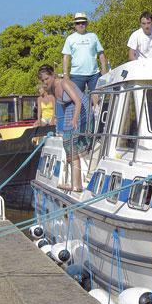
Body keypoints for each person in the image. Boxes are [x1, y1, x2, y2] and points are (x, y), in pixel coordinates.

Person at [37, 64, 86, 192]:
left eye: (47, 79)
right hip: (70, 110)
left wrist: (74, 119)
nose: (45, 82)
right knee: (66, 144)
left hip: (81, 109)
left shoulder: (63, 83)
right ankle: (75, 183)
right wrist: (61, 125)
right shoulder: (52, 89)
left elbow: (78, 101)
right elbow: (62, 107)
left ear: (53, 75)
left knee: (71, 144)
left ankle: (76, 185)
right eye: (42, 81)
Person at [61, 11, 108, 134]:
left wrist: (104, 71)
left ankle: (97, 126)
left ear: (86, 23)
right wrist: (65, 75)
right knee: (76, 101)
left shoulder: (93, 36)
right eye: (78, 23)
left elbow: (101, 54)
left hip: (93, 73)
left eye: (83, 23)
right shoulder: (70, 38)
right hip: (77, 75)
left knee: (96, 101)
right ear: (75, 25)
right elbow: (66, 57)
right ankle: (76, 127)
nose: (81, 25)